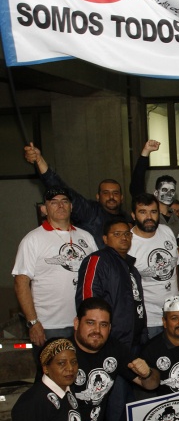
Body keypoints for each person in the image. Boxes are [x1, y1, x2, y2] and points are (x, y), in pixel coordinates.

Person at [13, 188, 98, 349]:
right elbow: (21, 283)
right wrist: (33, 322)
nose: (60, 205)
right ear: (44, 209)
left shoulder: (86, 237)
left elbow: (97, 276)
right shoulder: (33, 239)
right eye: (54, 202)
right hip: (49, 326)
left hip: (84, 322)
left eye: (65, 201)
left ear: (71, 207)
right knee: (51, 365)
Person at [70, 298, 159, 421]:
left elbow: (151, 385)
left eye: (103, 325)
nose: (97, 330)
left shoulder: (114, 348)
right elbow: (49, 414)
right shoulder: (62, 354)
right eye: (90, 323)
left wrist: (147, 374)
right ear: (76, 323)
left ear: (110, 328)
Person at [24, 142, 132, 248]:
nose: (111, 197)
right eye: (106, 193)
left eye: (115, 193)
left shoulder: (128, 218)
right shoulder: (90, 212)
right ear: (98, 197)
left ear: (122, 198)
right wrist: (40, 160)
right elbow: (61, 189)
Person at [77, 217, 146, 351]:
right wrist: (97, 335)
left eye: (127, 234)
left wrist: (143, 333)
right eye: (117, 234)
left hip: (134, 341)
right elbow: (87, 301)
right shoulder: (98, 260)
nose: (124, 237)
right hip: (110, 341)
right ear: (105, 239)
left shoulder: (132, 268)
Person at [127, 193, 179, 339]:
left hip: (175, 312)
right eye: (143, 212)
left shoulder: (167, 231)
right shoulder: (129, 243)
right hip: (149, 320)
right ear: (133, 215)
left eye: (153, 212)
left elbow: (175, 267)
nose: (149, 217)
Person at [12, 338, 83, 421]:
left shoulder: (68, 390)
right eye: (61, 363)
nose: (70, 368)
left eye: (74, 362)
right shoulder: (32, 402)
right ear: (45, 368)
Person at [129, 140, 179, 236]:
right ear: (156, 193)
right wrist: (145, 152)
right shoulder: (149, 216)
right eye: (164, 190)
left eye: (172, 191)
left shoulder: (176, 218)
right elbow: (136, 185)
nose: (168, 194)